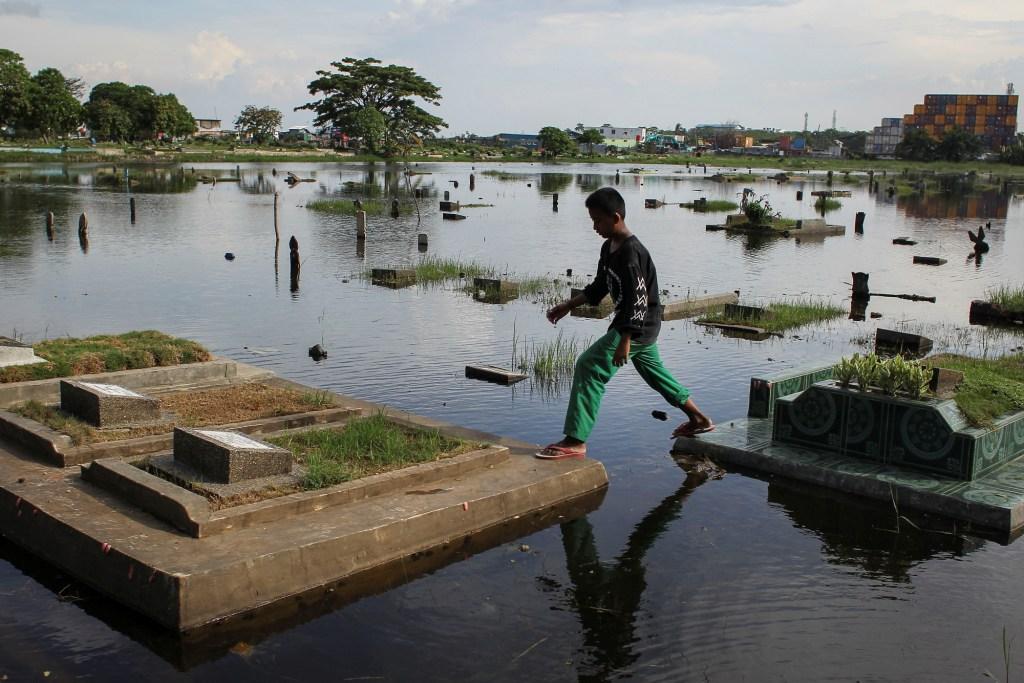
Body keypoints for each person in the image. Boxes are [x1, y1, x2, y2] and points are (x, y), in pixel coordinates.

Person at [536, 187, 714, 460]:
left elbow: (638, 299)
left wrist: (625, 340)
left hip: (637, 326)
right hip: (638, 326)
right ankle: (699, 419)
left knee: (589, 366)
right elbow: (598, 287)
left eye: (598, 220)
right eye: (592, 220)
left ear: (616, 217)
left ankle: (575, 440)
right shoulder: (609, 248)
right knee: (657, 376)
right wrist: (567, 306)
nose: (594, 226)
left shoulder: (632, 253)